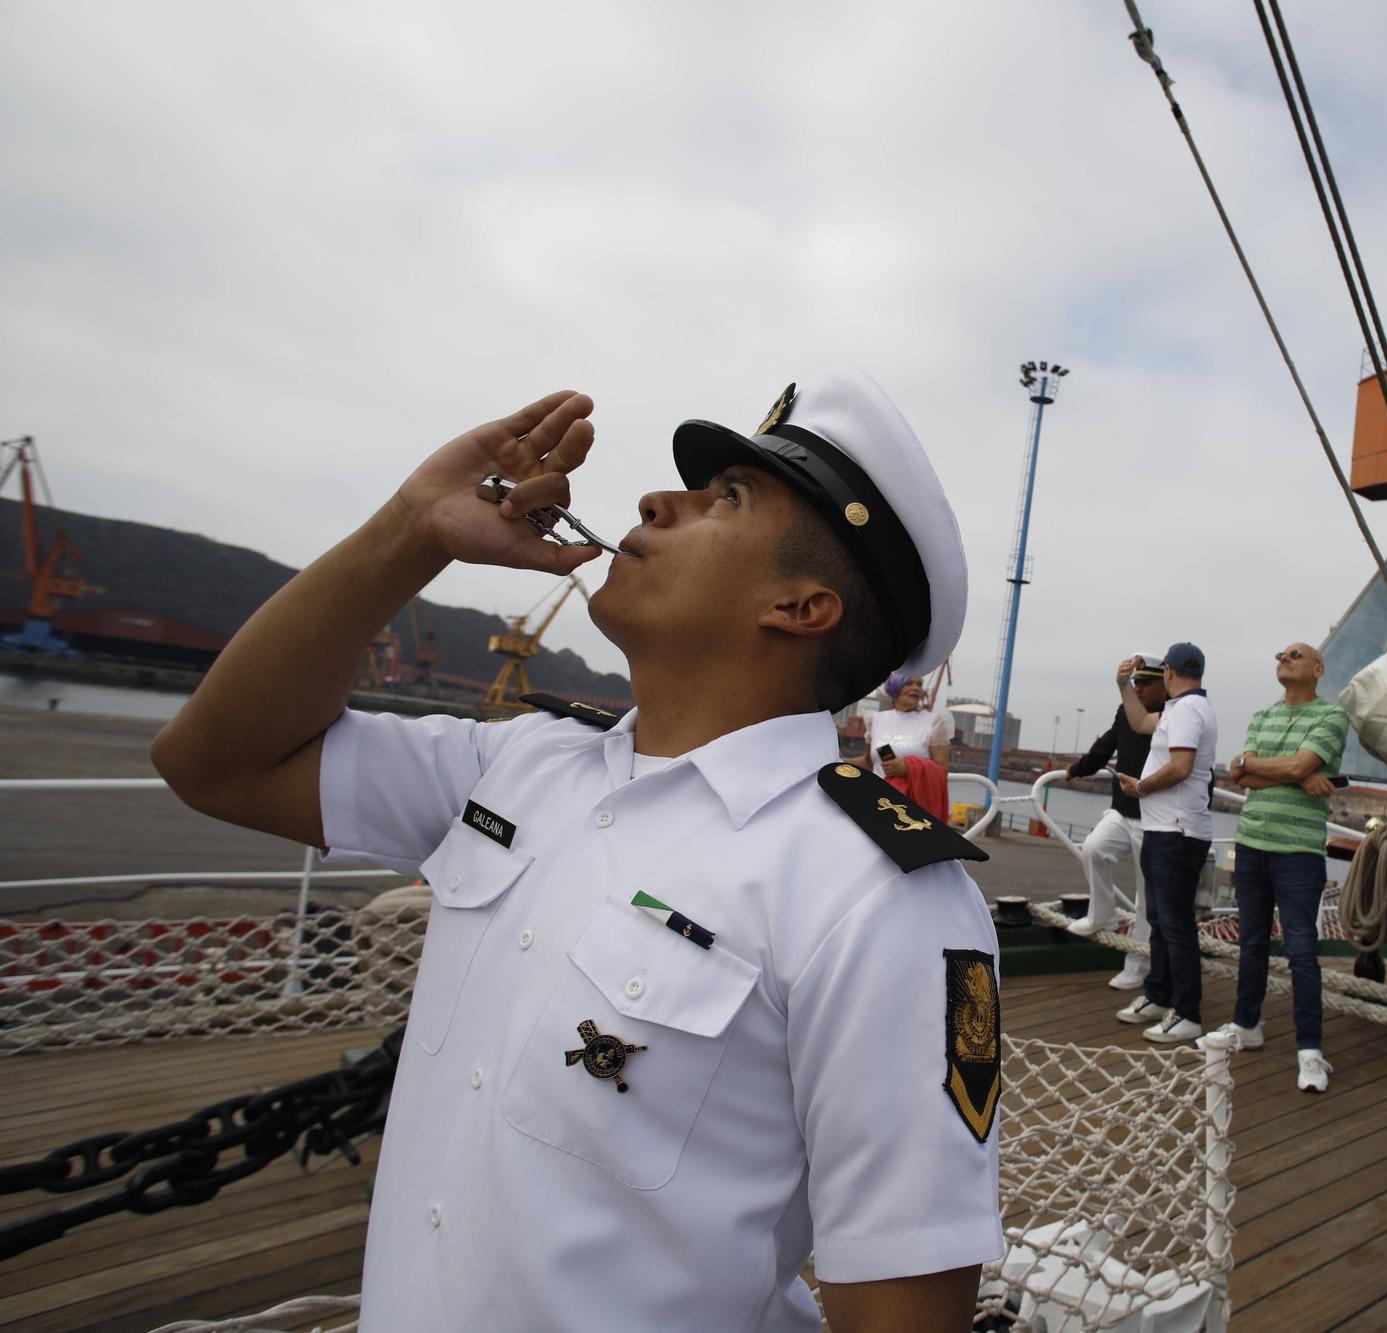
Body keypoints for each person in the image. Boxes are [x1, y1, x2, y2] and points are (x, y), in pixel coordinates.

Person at [150, 370, 1004, 1331]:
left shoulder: (876, 897)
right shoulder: (512, 767)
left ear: (802, 606)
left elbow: (903, 1309)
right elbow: (211, 762)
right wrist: (416, 528)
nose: (655, 501)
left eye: (726, 498)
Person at [1201, 642, 1347, 1094]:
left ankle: (1311, 1051)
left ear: (1318, 669)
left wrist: (1271, 766)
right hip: (1252, 842)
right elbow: (1238, 774)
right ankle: (1247, 1024)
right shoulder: (1262, 716)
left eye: (1294, 655)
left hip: (1299, 850)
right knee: (1252, 940)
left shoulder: (1331, 717)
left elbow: (1271, 765)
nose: (1283, 659)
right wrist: (1296, 775)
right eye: (1280, 656)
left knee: (1301, 949)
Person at [1111, 642, 1216, 1043]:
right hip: (1164, 830)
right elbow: (1139, 723)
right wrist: (1123, 685)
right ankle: (1158, 995)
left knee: (1174, 925)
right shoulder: (1180, 708)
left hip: (1178, 832)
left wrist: (1141, 787)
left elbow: (1181, 767)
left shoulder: (1188, 710)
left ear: (1168, 672)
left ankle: (1187, 1011)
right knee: (1159, 920)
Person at [1060, 654, 1167, 989]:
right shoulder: (1126, 711)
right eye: (1136, 682)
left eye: (1147, 683)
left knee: (1145, 898)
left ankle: (1137, 965)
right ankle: (1102, 914)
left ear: (1165, 686)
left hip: (1154, 817)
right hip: (1123, 811)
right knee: (1093, 849)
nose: (1139, 689)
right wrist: (1077, 770)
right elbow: (1107, 744)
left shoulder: (1173, 718)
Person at [870, 671, 953, 820]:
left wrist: (908, 766)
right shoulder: (876, 719)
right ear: (895, 687)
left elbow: (942, 770)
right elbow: (868, 762)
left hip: (913, 807)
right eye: (909, 683)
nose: (916, 688)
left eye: (920, 685)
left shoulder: (935, 721)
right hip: (877, 800)